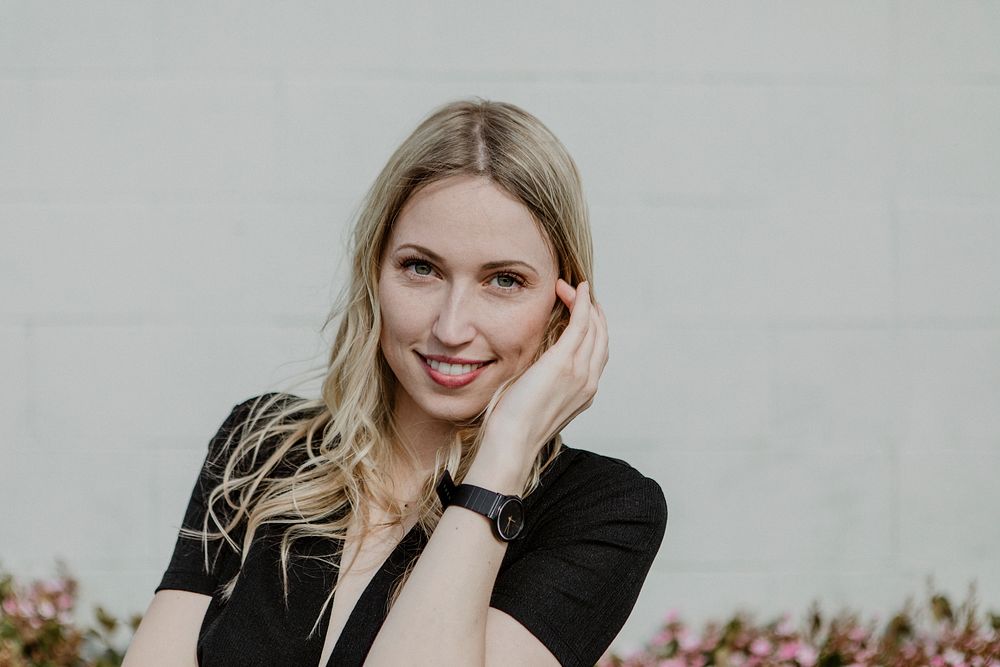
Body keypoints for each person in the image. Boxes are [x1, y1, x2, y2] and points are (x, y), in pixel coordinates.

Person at [123, 98, 667, 667]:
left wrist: (503, 457)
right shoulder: (262, 445)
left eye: (504, 280)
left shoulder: (603, 511)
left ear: (566, 303)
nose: (452, 327)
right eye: (421, 268)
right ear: (374, 270)